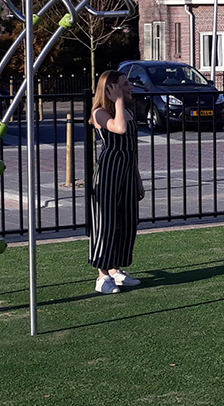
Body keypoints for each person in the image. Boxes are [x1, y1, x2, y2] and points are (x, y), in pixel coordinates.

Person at [89, 70, 143, 294]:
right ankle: (102, 276)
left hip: (127, 172)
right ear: (110, 89)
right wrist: (118, 101)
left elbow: (132, 149)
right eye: (124, 84)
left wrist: (137, 179)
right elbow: (119, 129)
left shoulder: (126, 112)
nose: (130, 87)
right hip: (109, 172)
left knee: (126, 221)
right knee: (106, 222)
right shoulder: (99, 113)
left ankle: (115, 270)